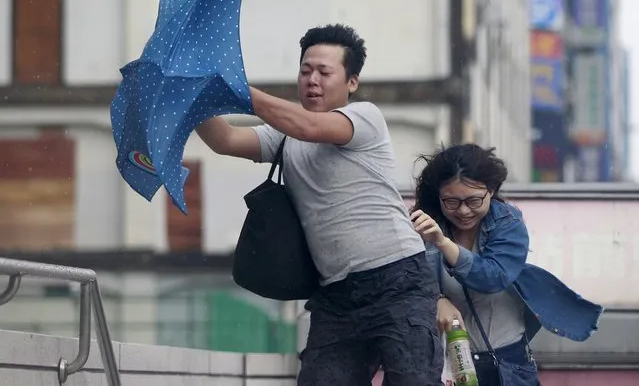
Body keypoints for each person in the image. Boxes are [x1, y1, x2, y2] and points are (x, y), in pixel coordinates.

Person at [196, 24, 443, 385]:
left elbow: (311, 127)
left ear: (351, 82)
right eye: (305, 70)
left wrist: (237, 89)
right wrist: (192, 97)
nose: (312, 80)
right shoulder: (284, 136)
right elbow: (226, 139)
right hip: (335, 295)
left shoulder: (365, 118)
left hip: (398, 282)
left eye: (324, 72)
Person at [409, 143, 604, 385]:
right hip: (447, 367)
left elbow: (493, 277)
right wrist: (436, 299)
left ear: (491, 190)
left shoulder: (507, 222)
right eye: (451, 201)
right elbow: (405, 283)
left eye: (473, 200)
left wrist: (442, 243)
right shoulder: (422, 225)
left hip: (508, 364)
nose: (463, 211)